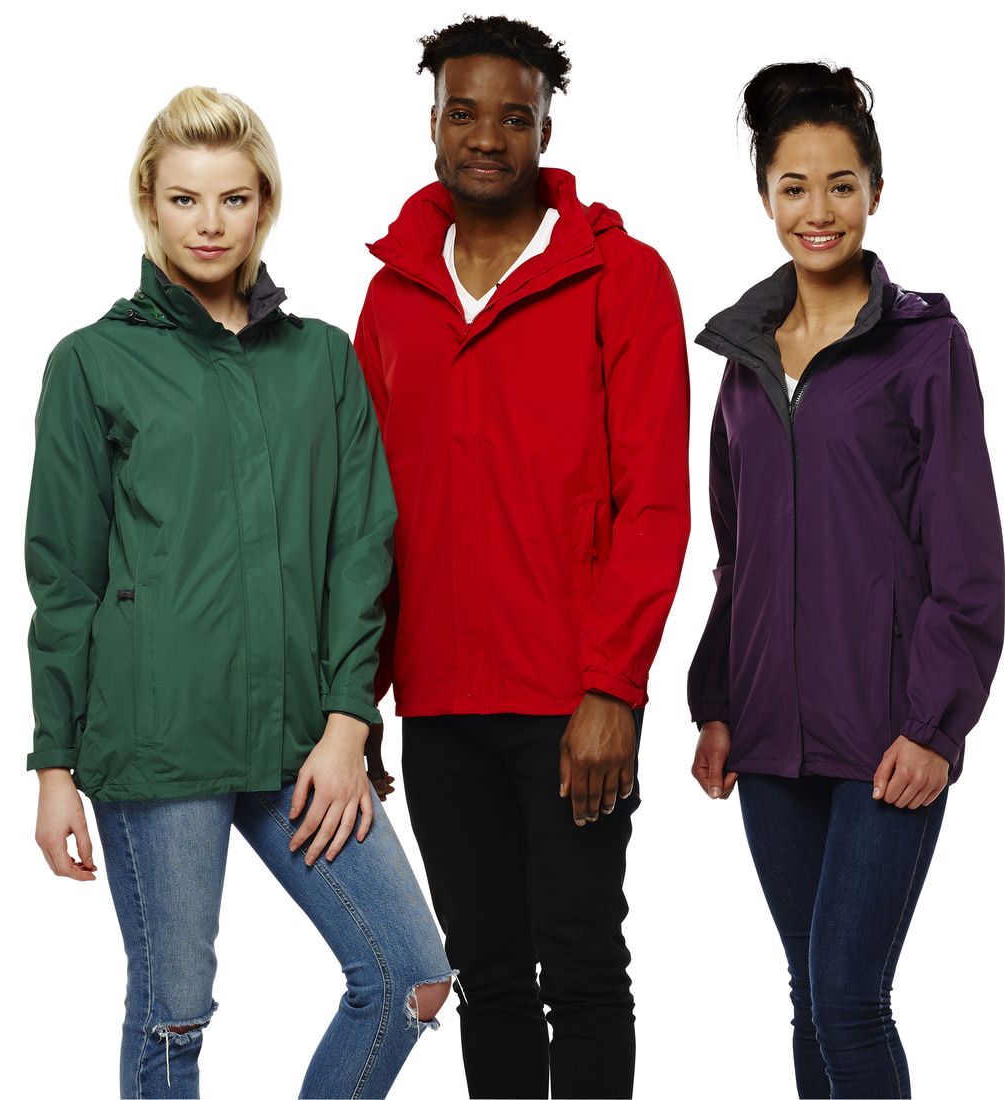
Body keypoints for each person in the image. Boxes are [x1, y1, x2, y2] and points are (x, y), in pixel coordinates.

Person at [26, 85, 453, 1100]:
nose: (208, 223)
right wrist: (54, 765)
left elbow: (361, 547)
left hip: (303, 738)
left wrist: (348, 722)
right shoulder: (94, 362)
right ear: (149, 203)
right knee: (173, 1012)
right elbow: (65, 576)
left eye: (232, 198)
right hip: (158, 737)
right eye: (184, 199)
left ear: (265, 204)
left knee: (410, 976)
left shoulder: (321, 358)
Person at [354, 16, 690, 1100]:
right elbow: (366, 518)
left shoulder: (621, 277)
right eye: (464, 112)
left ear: (547, 126)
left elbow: (654, 504)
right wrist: (355, 697)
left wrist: (613, 687)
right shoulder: (393, 294)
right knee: (486, 974)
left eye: (514, 115)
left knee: (581, 966)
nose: (487, 137)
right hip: (440, 699)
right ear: (433, 121)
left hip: (568, 698)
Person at [688, 62, 1005, 1099]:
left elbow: (966, 557)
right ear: (764, 196)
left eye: (839, 185)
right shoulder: (744, 357)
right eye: (793, 187)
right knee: (808, 997)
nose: (816, 211)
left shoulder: (924, 347)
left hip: (886, 731)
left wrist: (934, 725)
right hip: (767, 735)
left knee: (848, 1000)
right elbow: (734, 550)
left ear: (875, 190)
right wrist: (718, 701)